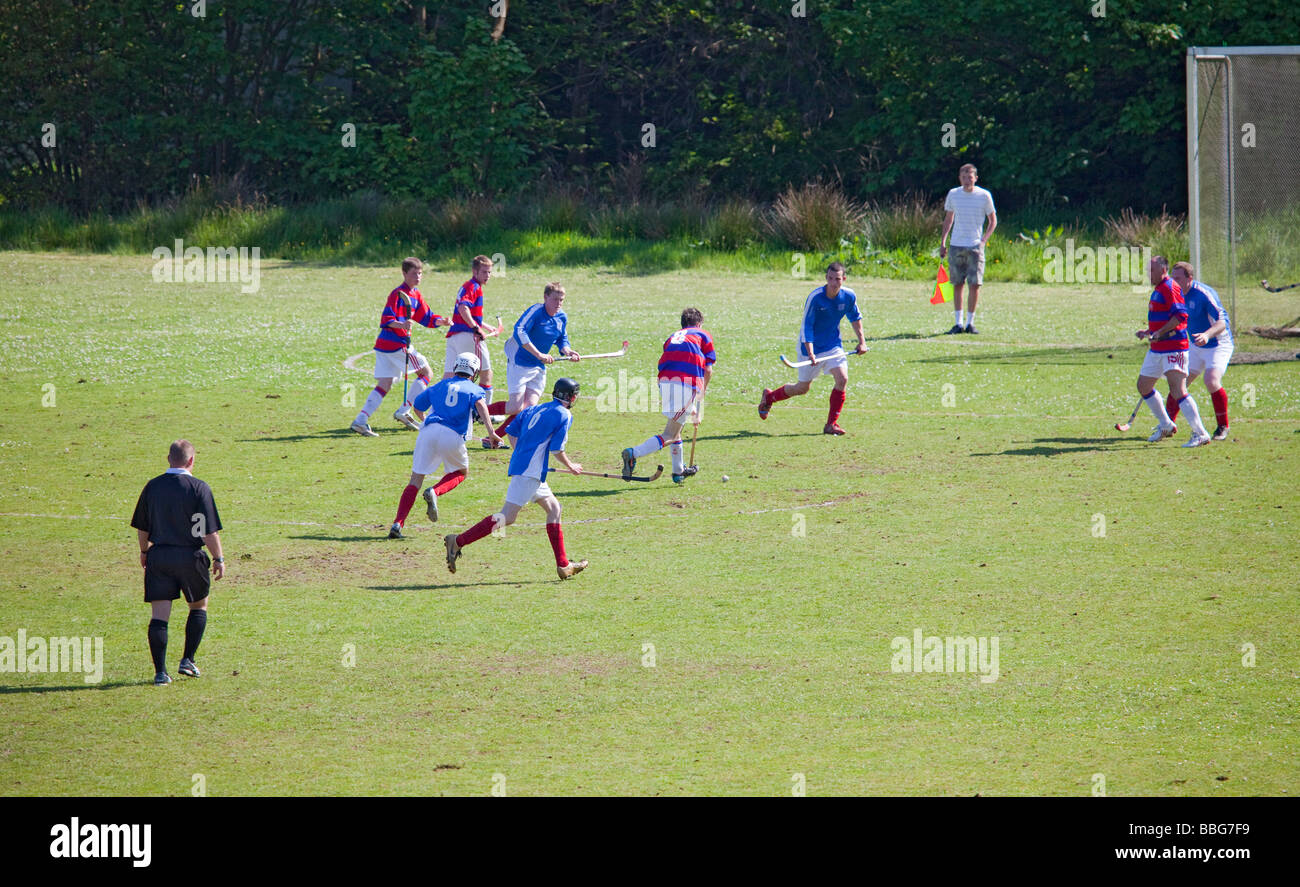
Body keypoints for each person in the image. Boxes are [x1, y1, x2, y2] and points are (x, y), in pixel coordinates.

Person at [444, 378, 588, 580]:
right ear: (571, 397)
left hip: (529, 469)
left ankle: (563, 565)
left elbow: (511, 433)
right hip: (530, 472)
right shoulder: (564, 414)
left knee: (554, 509)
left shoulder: (535, 409)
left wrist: (522, 454)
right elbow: (557, 449)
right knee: (507, 516)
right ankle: (457, 541)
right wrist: (571, 466)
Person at [130, 440, 224, 685]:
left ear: (168, 458)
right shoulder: (198, 488)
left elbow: (143, 527)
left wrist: (144, 551)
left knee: (159, 616)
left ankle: (160, 673)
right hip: (190, 557)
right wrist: (218, 558)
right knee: (198, 607)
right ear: (191, 461)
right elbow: (208, 532)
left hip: (159, 557)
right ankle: (187, 660)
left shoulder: (153, 487)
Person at [387, 353, 501, 539]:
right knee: (461, 472)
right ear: (474, 372)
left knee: (415, 480)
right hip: (452, 435)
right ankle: (435, 491)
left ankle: (397, 524)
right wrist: (491, 432)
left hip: (428, 432)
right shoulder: (473, 388)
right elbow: (480, 404)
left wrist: (425, 422)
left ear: (456, 367)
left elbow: (417, 406)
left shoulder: (440, 384)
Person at [758, 262, 868, 435]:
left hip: (833, 345)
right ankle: (769, 397)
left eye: (837, 279)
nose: (833, 283)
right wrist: (810, 352)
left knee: (842, 379)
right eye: (830, 278)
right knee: (802, 388)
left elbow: (855, 317)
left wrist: (862, 342)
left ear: (843, 279)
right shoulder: (815, 298)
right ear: (826, 278)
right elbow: (806, 327)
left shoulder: (849, 296)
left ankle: (831, 424)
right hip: (810, 347)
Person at [351, 257, 446, 436]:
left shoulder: (416, 294)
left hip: (384, 347)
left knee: (385, 383)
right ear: (404, 274)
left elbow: (426, 317)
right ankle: (404, 411)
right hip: (396, 344)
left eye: (420, 273)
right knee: (426, 373)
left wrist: (441, 321)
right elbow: (387, 319)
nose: (417, 277)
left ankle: (360, 421)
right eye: (413, 274)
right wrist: (402, 325)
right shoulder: (398, 294)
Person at [621, 307, 715, 483]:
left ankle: (678, 472)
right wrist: (700, 395)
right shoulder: (702, 335)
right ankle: (633, 453)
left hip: (665, 381)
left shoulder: (672, 336)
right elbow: (708, 369)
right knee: (670, 434)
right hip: (685, 383)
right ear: (699, 324)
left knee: (676, 427)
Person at [491, 282, 581, 447]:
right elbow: (519, 330)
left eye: (561, 300)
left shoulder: (561, 317)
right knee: (514, 407)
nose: (558, 303)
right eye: (555, 299)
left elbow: (562, 338)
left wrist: (568, 351)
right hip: (520, 362)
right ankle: (477, 410)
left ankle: (493, 437)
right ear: (545, 297)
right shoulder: (536, 311)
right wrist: (539, 354)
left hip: (538, 367)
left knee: (528, 409)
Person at [1135, 255, 1211, 447]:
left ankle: (1200, 433)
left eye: (1151, 270)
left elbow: (1180, 316)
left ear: (1162, 270)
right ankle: (1166, 424)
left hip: (1173, 347)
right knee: (1144, 386)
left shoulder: (1170, 287)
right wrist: (1149, 332)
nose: (1148, 274)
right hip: (1157, 348)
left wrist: (1160, 332)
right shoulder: (1159, 289)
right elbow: (1164, 317)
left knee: (1178, 390)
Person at [1167, 261, 1233, 441]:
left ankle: (1222, 427)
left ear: (1190, 278)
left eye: (1178, 278)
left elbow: (1222, 322)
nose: (1174, 281)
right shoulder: (1175, 293)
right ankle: (1167, 425)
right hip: (1195, 345)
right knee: (1177, 383)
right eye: (1173, 277)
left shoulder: (1204, 294)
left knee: (1211, 381)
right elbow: (1173, 319)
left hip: (1217, 344)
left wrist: (1206, 335)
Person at [939, 163, 997, 334]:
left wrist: (983, 241)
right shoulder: (953, 194)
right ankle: (958, 323)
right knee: (957, 284)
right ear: (960, 178)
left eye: (970, 177)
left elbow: (993, 220)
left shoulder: (984, 196)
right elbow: (949, 219)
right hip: (956, 244)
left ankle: (970, 323)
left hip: (974, 246)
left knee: (975, 284)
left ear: (976, 178)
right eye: (963, 177)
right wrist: (943, 242)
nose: (966, 180)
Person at [442, 255, 501, 409]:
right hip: (469, 336)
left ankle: (437, 408)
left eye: (489, 272)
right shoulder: (474, 286)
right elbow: (463, 308)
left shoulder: (468, 285)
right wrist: (476, 328)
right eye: (484, 272)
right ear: (475, 271)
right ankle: (485, 411)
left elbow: (469, 314)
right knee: (485, 373)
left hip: (454, 336)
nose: (487, 275)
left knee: (449, 377)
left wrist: (486, 327)